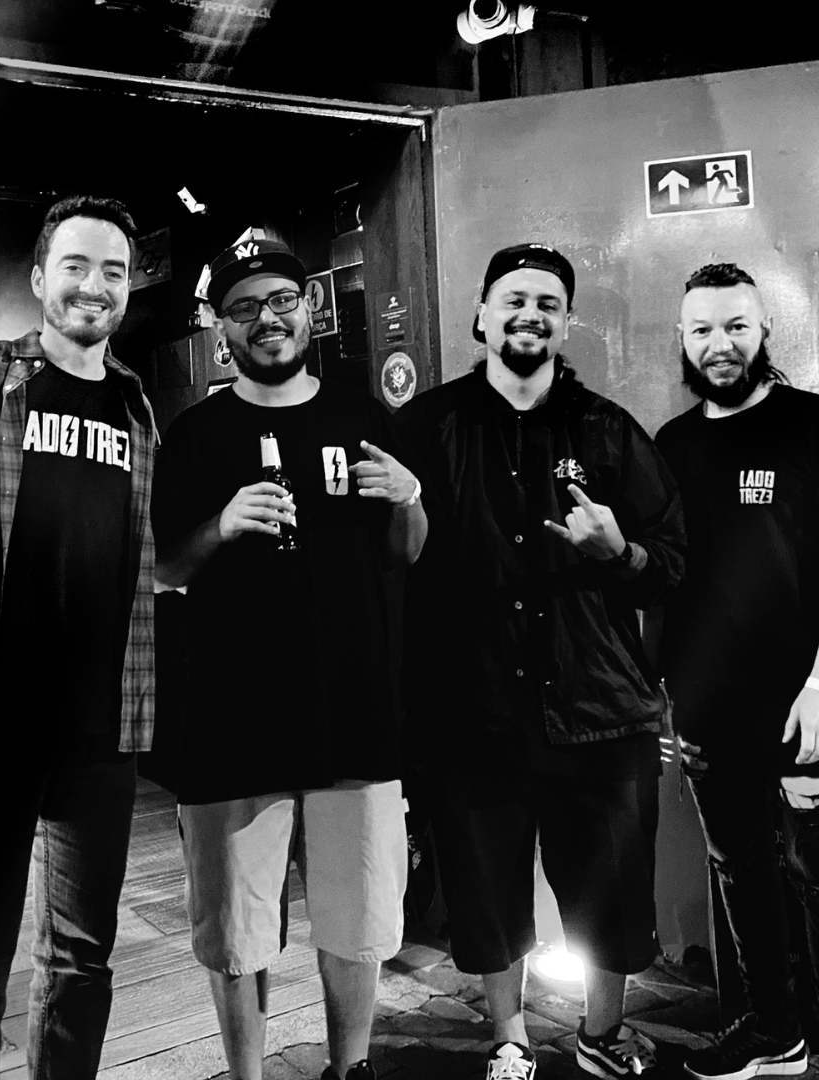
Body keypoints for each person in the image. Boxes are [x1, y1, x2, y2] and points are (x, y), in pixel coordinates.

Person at [401, 243, 685, 1080]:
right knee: (486, 892)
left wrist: (618, 550)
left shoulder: (608, 429)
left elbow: (671, 565)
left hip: (598, 710)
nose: (530, 313)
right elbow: (390, 569)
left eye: (548, 302)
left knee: (613, 890)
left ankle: (603, 1033)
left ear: (566, 323)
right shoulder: (425, 428)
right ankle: (509, 1037)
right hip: (472, 708)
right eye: (514, 299)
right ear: (482, 314)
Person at [150, 237, 427, 1080]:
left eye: (280, 300)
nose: (265, 319)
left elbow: (405, 551)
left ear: (309, 308)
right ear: (220, 329)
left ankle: (352, 1068)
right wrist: (220, 527)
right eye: (244, 307)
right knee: (234, 929)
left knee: (360, 916)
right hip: (230, 713)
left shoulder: (361, 417)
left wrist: (409, 498)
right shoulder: (193, 435)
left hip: (354, 707)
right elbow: (163, 568)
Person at [0, 195, 157, 1080]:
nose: (94, 285)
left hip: (99, 734)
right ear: (40, 277)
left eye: (114, 271)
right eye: (76, 265)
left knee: (81, 968)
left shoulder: (136, 407)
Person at [655, 262, 818, 1080]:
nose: (720, 344)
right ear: (682, 340)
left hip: (802, 702)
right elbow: (667, 578)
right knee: (740, 867)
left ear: (765, 331)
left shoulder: (812, 426)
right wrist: (665, 698)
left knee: (813, 870)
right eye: (702, 330)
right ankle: (775, 1031)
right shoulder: (673, 445)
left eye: (736, 326)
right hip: (709, 707)